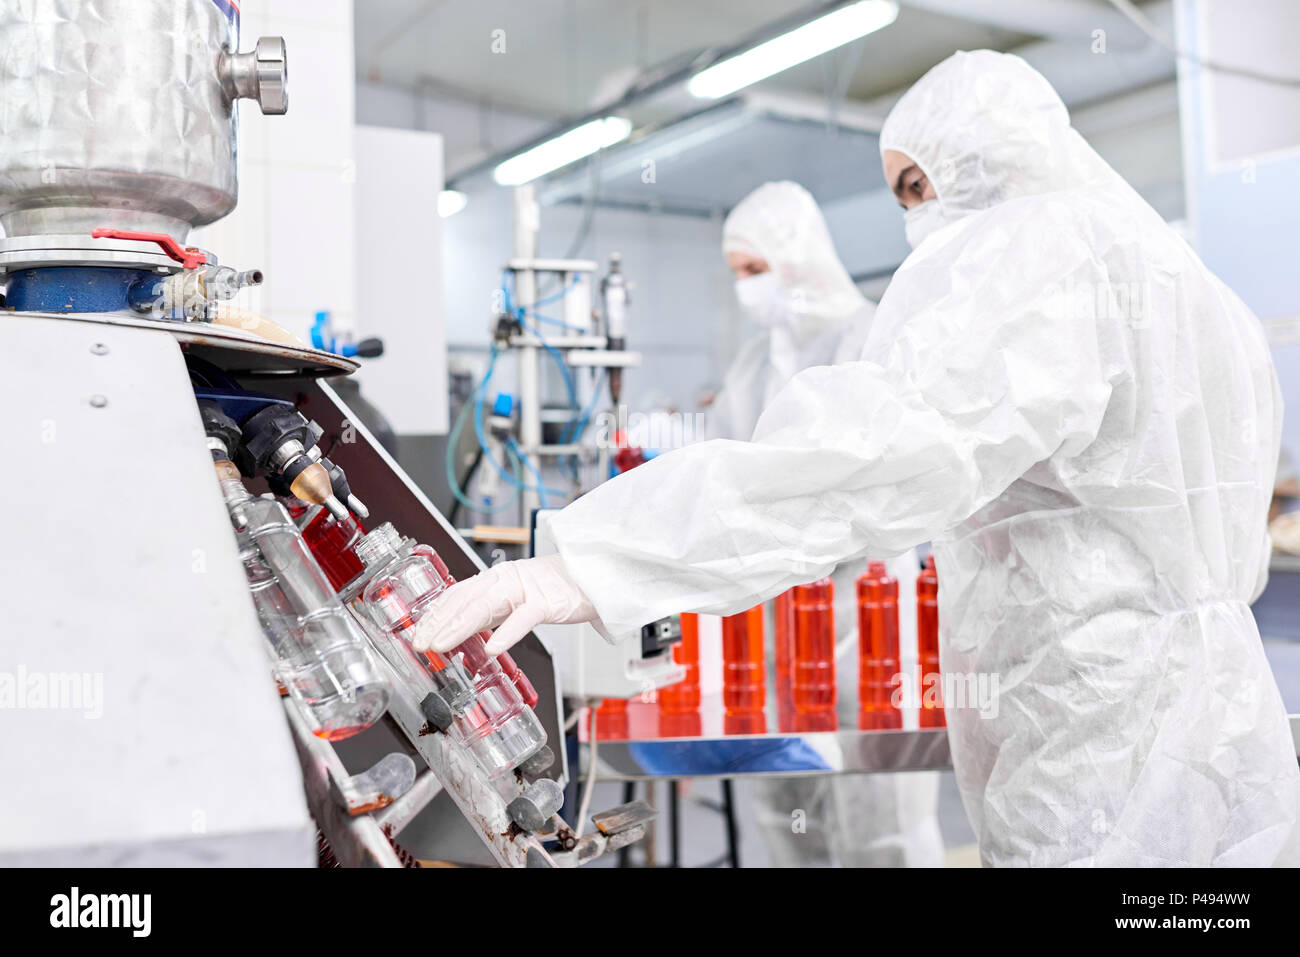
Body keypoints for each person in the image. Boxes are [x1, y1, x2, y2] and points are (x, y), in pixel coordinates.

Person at [415, 50, 1300, 866]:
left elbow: (864, 458)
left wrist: (598, 562)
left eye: (920, 184)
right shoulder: (1189, 282)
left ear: (988, 155)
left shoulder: (1040, 252)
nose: (916, 216)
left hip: (1094, 725)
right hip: (1216, 712)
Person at [711, 180, 943, 868]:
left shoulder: (871, 335)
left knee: (880, 815)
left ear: (796, 256)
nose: (746, 289)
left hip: (865, 610)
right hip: (779, 618)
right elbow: (724, 472)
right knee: (788, 808)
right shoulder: (752, 365)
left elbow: (874, 476)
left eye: (754, 270)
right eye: (737, 275)